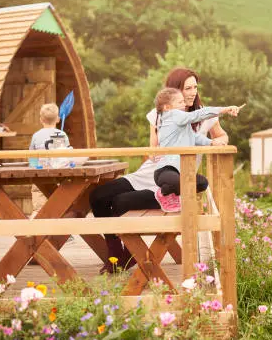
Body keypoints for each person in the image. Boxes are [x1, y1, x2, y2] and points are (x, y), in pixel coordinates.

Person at [89, 67, 230, 274]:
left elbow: (222, 136)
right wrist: (155, 150)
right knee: (98, 195)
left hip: (174, 179)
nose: (192, 92)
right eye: (186, 88)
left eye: (195, 87)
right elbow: (153, 149)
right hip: (151, 172)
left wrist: (218, 143)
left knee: (120, 203)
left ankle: (128, 253)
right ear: (175, 91)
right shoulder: (159, 114)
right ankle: (116, 253)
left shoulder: (205, 115)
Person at [151, 87, 240, 212]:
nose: (184, 104)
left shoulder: (182, 124)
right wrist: (224, 109)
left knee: (202, 183)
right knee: (180, 181)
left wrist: (212, 143)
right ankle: (163, 193)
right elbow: (198, 114)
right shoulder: (173, 115)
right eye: (180, 102)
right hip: (165, 170)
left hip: (180, 171)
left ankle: (172, 194)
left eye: (183, 101)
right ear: (167, 107)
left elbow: (195, 137)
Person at [29, 104, 70, 217]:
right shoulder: (60, 135)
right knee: (59, 207)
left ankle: (35, 230)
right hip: (58, 176)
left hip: (40, 177)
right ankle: (60, 232)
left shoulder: (37, 136)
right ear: (58, 119)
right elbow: (63, 157)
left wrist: (34, 169)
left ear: (41, 119)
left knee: (38, 209)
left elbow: (32, 157)